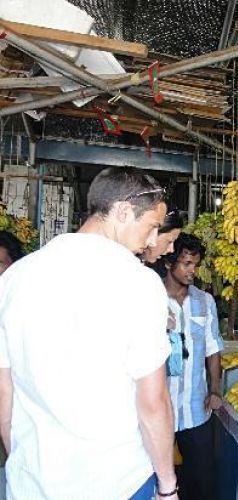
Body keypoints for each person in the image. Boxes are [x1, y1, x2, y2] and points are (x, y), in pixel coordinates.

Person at [0, 167, 178, 499]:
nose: (154, 241)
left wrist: (20, 459)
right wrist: (167, 485)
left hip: (32, 481)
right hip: (116, 482)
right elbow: (153, 402)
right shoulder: (138, 283)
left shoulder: (14, 278)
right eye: (152, 227)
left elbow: (4, 389)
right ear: (123, 212)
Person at [163, 233, 224, 500]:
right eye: (186, 264)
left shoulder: (204, 301)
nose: (192, 271)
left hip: (196, 411)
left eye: (195, 265)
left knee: (202, 484)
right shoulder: (148, 298)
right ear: (168, 263)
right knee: (159, 482)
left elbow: (213, 349)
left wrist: (215, 390)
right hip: (158, 412)